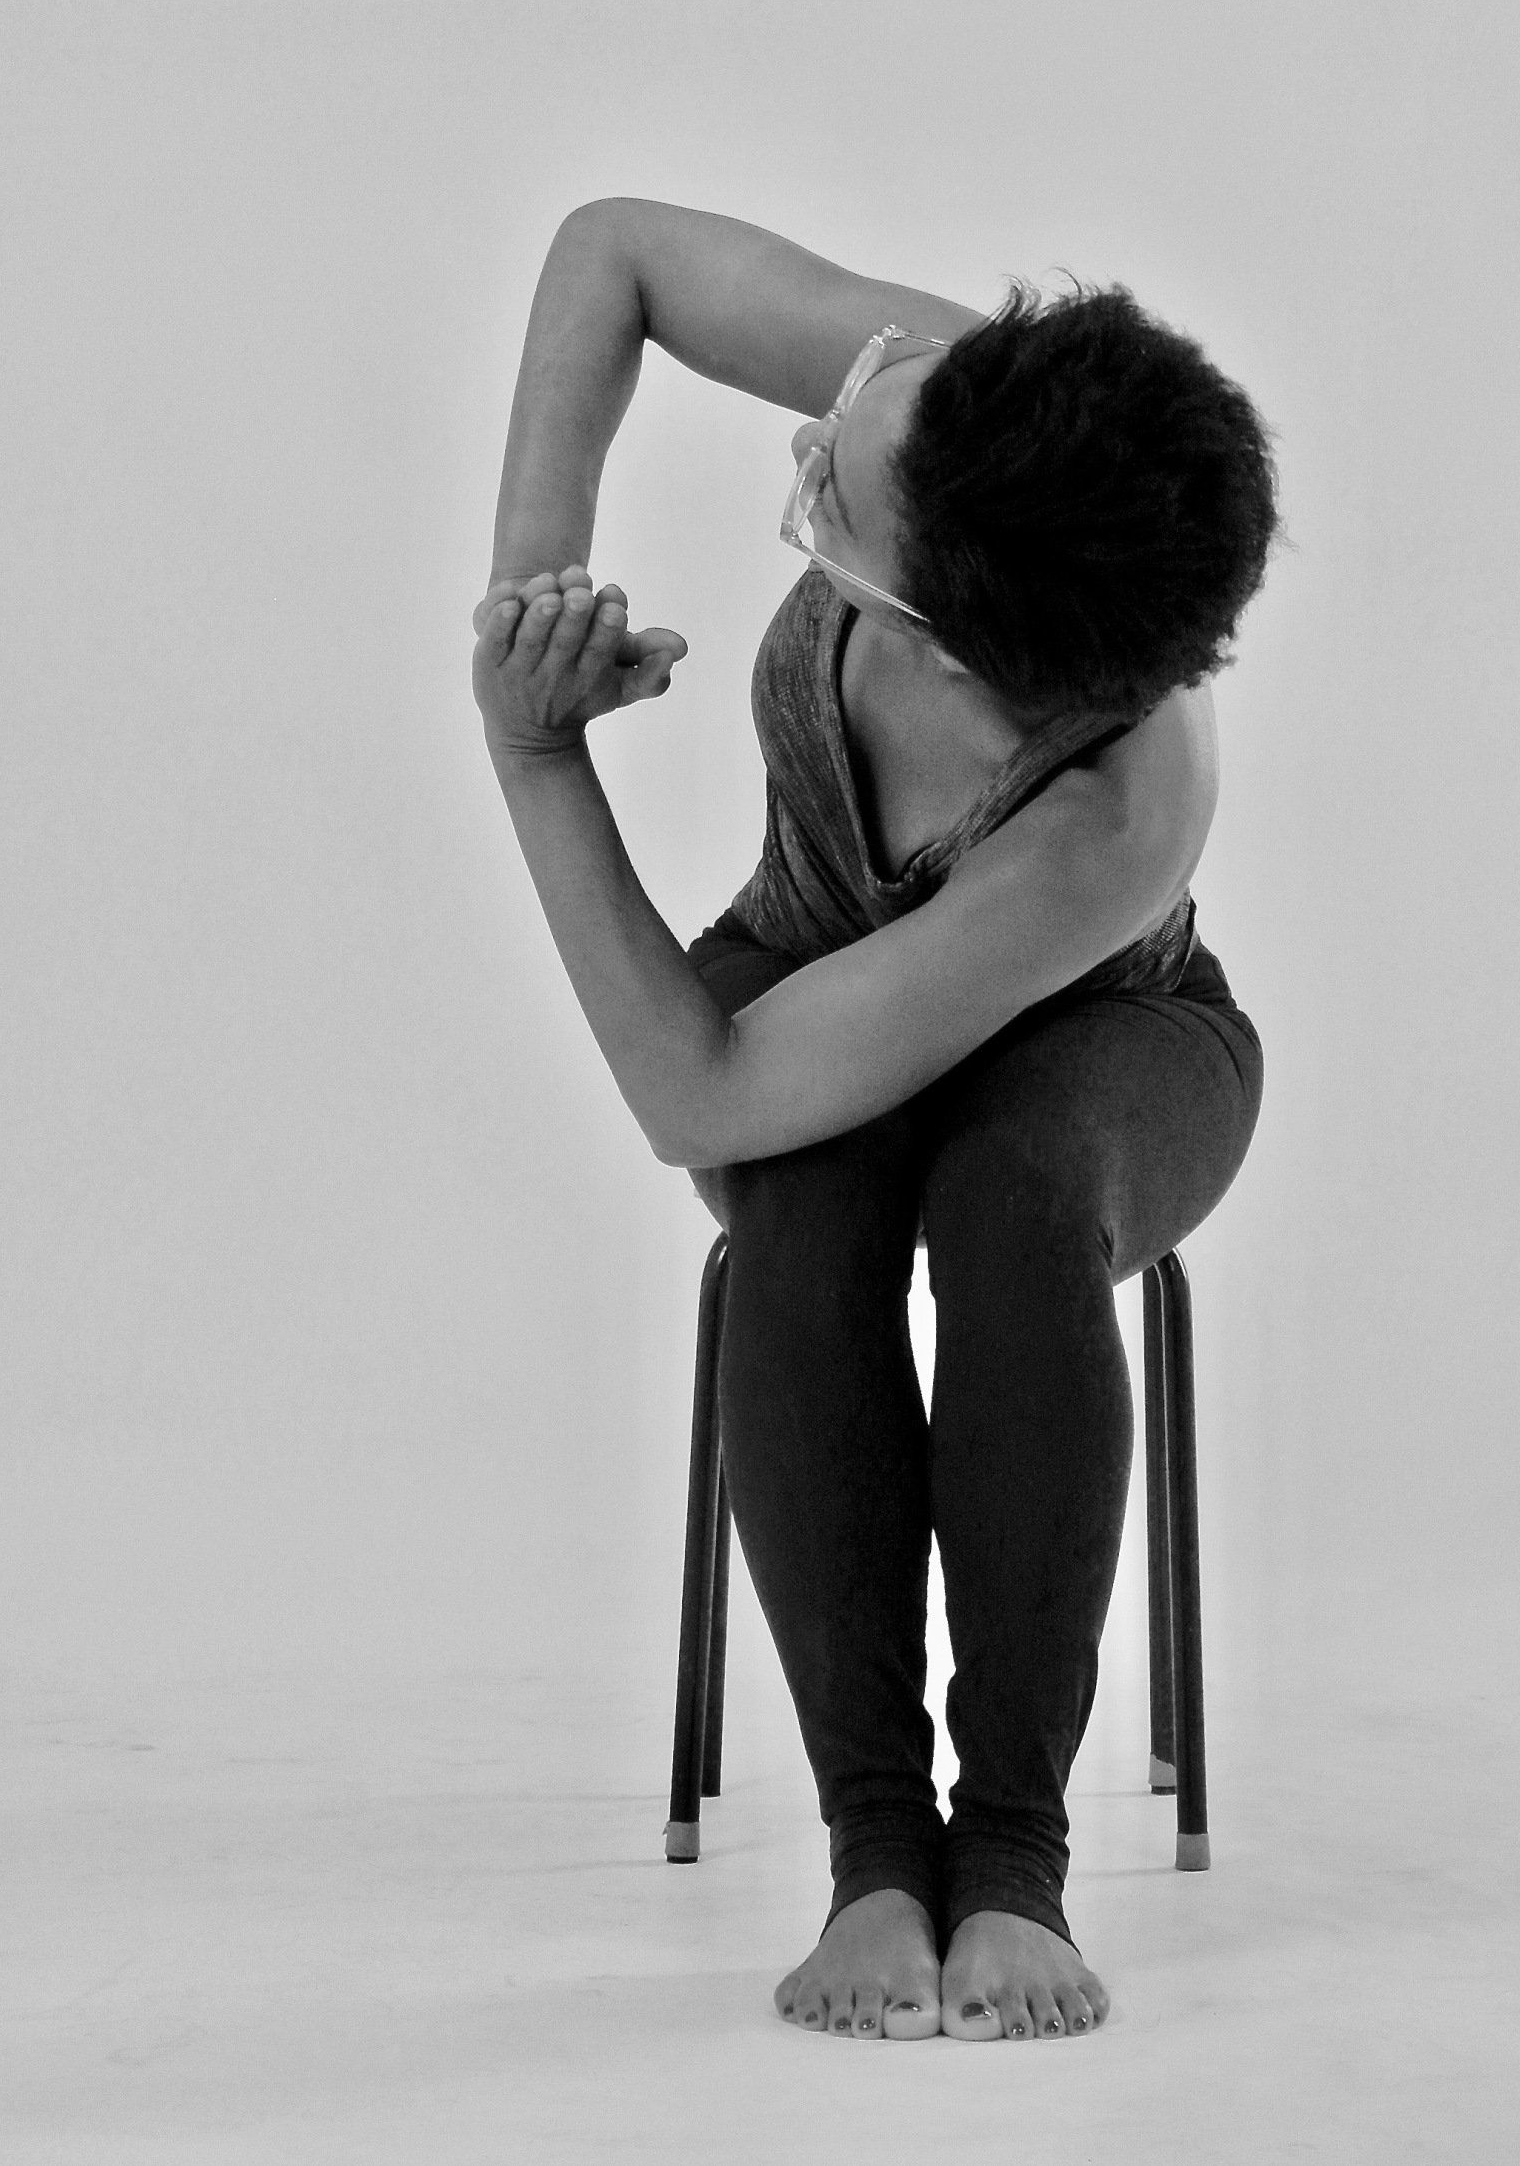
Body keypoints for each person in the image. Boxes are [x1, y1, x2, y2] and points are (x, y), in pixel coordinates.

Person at [471, 198, 1275, 2043]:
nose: (816, 449)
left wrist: (534, 759)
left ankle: (1011, 1864)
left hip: (1111, 1036)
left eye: (833, 508)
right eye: (849, 424)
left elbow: (689, 1088)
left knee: (1011, 1198)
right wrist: (532, 600)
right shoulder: (953, 405)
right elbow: (615, 252)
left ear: (958, 649)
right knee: (809, 1208)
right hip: (814, 954)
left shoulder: (1118, 805)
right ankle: (876, 1856)